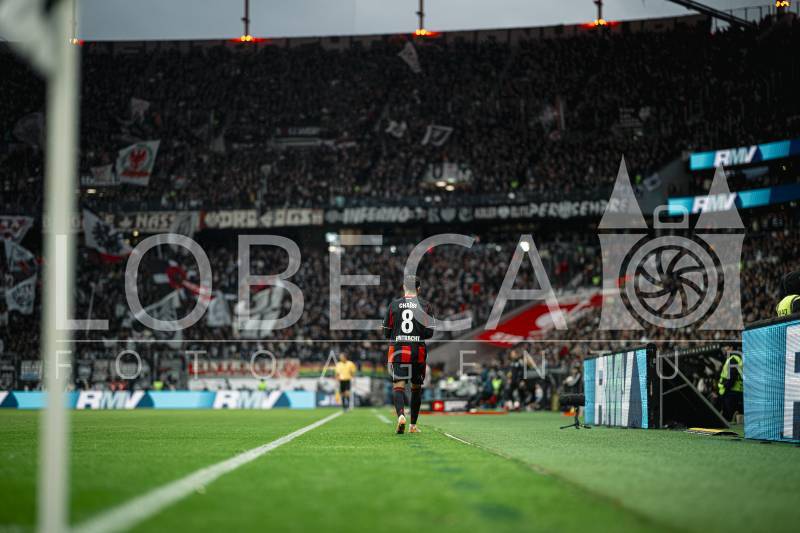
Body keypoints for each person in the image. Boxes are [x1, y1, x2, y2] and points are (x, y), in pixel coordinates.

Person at [383, 275, 436, 434]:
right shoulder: (426, 306)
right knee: (416, 387)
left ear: (404, 287)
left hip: (399, 349)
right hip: (417, 350)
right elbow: (430, 333)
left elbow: (386, 333)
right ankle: (413, 425)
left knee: (398, 385)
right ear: (418, 289)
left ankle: (401, 416)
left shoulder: (394, 305)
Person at [717, 352, 743, 423]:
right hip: (738, 390)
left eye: (725, 347)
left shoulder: (733, 359)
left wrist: (726, 388)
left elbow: (731, 376)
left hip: (731, 392)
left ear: (731, 348)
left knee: (729, 418)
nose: (723, 349)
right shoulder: (737, 358)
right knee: (738, 418)